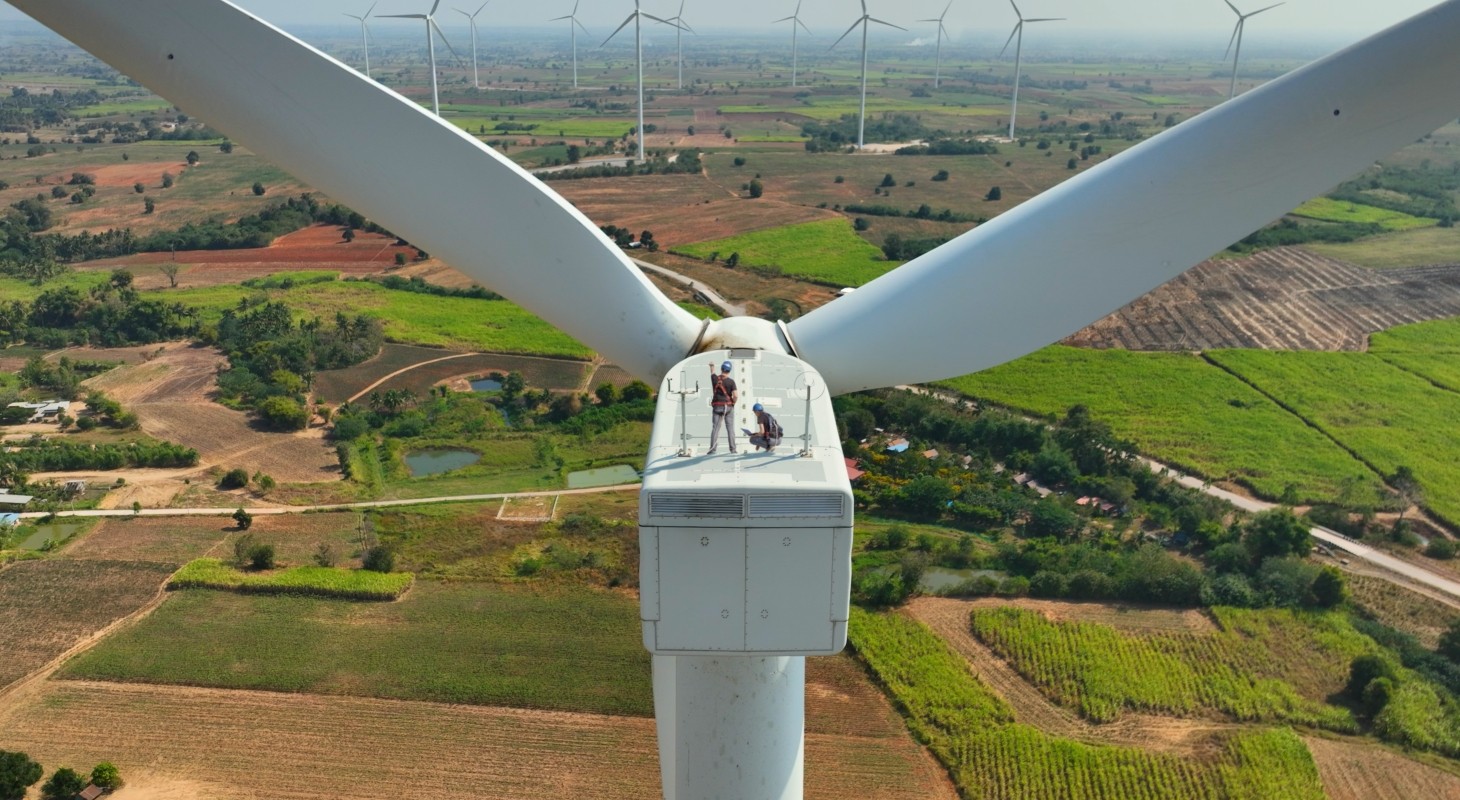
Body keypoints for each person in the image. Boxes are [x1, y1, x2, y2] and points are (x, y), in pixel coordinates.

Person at [707, 360, 737, 454]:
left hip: (717, 407)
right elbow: (735, 396)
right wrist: (733, 403)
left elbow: (712, 372)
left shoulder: (715, 379)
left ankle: (712, 449)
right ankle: (733, 449)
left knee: (715, 428)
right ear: (729, 370)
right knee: (730, 428)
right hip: (728, 407)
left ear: (721, 369)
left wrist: (712, 365)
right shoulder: (731, 382)